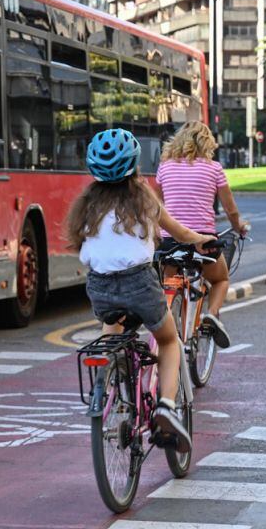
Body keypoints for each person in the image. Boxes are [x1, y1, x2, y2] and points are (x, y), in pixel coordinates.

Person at [66, 128, 215, 453]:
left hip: (99, 287)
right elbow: (179, 231)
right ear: (134, 166)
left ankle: (108, 384)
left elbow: (81, 243)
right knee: (168, 340)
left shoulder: (86, 206)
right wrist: (201, 240)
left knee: (112, 330)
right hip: (139, 283)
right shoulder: (143, 199)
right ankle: (165, 406)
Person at [156, 122, 249, 349]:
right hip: (203, 241)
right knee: (220, 279)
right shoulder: (214, 168)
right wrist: (239, 227)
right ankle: (212, 314)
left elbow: (158, 206)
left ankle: (166, 323)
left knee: (168, 282)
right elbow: (230, 209)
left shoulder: (164, 167)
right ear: (207, 144)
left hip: (170, 241)